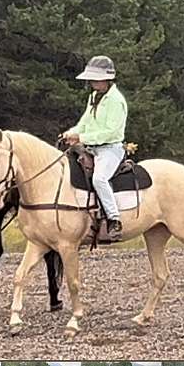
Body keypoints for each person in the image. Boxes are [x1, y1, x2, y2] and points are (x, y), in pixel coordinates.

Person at [63, 55, 128, 241]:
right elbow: (84, 122)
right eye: (91, 78)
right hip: (91, 148)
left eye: (95, 78)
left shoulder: (116, 100)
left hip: (110, 149)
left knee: (100, 179)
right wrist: (70, 133)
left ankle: (114, 219)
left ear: (107, 78)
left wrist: (81, 137)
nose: (92, 82)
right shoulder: (93, 97)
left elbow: (110, 132)